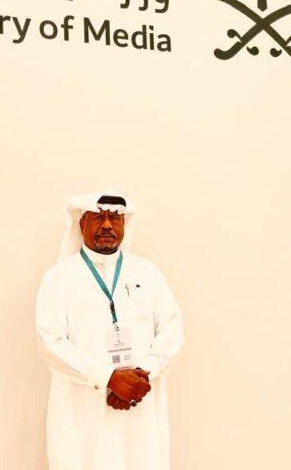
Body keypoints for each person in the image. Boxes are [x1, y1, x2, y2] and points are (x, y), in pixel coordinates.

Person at [36, 190, 184, 470]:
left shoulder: (148, 273)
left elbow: (172, 330)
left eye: (114, 218)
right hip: (83, 411)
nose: (107, 225)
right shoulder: (58, 278)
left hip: (139, 407)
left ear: (124, 224)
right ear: (82, 224)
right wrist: (108, 378)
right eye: (98, 217)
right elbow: (50, 342)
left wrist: (142, 374)